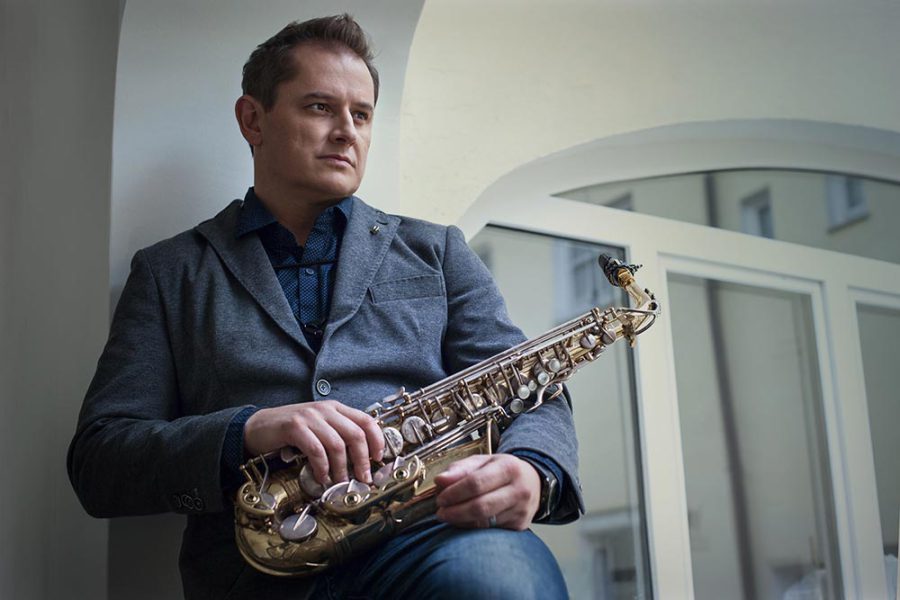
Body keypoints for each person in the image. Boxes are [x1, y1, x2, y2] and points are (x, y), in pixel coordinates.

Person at [68, 14, 583, 599]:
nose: (346, 132)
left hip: (429, 535)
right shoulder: (170, 271)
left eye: (361, 115)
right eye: (320, 107)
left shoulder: (437, 251)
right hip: (256, 570)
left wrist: (532, 469)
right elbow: (99, 462)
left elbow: (535, 387)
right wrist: (247, 431)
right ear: (253, 119)